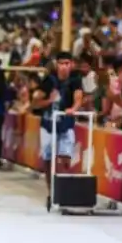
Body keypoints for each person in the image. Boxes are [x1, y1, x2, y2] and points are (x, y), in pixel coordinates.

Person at [39, 52, 84, 188]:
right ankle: (50, 189)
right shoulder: (49, 80)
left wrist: (74, 108)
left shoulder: (75, 80)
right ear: (56, 65)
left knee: (65, 158)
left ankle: (63, 189)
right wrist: (48, 100)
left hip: (65, 124)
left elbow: (78, 97)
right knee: (48, 159)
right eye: (61, 63)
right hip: (48, 124)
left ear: (72, 65)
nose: (64, 67)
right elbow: (37, 102)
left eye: (67, 63)